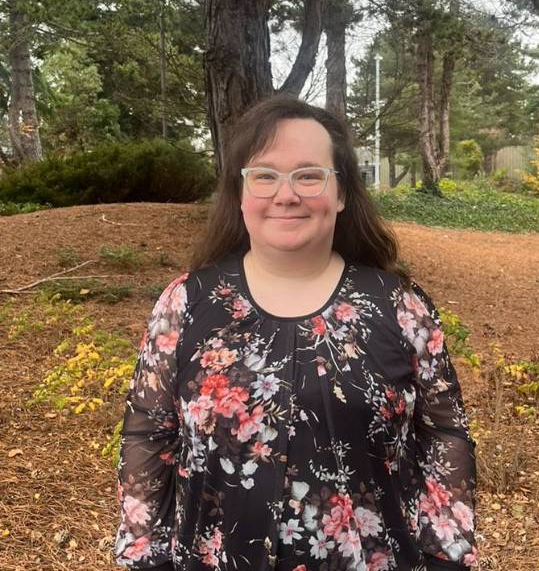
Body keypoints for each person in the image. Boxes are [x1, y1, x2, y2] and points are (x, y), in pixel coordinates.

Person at [114, 95, 477, 571]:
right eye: (265, 176)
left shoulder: (399, 306)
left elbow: (444, 433)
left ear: (342, 192)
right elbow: (147, 436)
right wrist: (147, 557)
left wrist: (447, 557)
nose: (286, 195)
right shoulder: (186, 303)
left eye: (309, 175)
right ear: (241, 194)